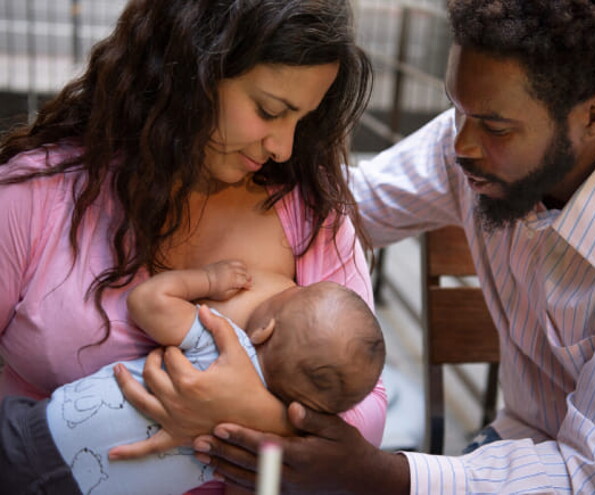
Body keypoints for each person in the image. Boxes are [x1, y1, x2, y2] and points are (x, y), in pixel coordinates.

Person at [110, 0, 595, 493]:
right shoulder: (473, 146)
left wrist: (379, 473)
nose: (460, 144)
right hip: (505, 448)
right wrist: (213, 167)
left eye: (493, 126)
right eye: (456, 109)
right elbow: (343, 205)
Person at [0, 0, 387, 493]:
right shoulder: (36, 196)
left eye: (302, 119)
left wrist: (247, 411)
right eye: (270, 110)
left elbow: (368, 409)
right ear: (191, 75)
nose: (284, 148)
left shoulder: (310, 216)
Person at [45, 259, 384, 495]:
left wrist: (208, 279)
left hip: (42, 435)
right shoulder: (251, 445)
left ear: (265, 330)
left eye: (285, 294)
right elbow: (247, 487)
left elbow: (147, 301)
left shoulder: (224, 342)